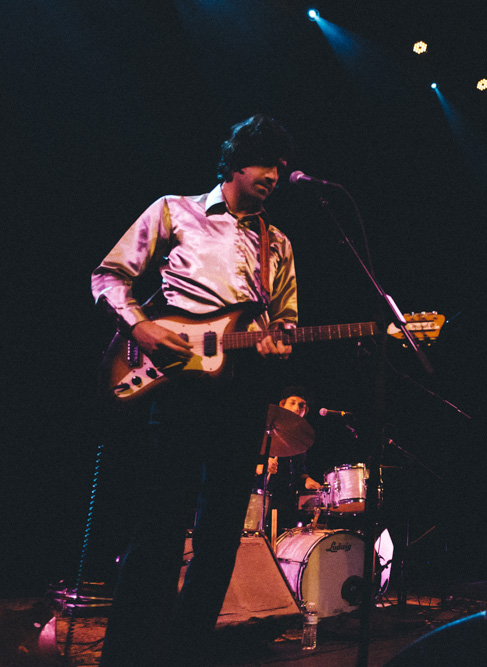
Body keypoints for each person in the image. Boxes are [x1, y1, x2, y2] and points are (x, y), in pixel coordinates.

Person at [92, 115, 298, 666]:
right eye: (263, 162)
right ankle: (129, 655)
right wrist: (141, 327)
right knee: (160, 523)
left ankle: (188, 653)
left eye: (280, 165)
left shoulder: (276, 244)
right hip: (179, 386)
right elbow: (108, 277)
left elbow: (285, 322)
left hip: (243, 392)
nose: (274, 175)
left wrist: (278, 345)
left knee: (222, 533)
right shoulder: (173, 210)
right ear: (233, 164)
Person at [253, 386, 323, 532]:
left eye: (301, 405)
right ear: (282, 404)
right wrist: (262, 466)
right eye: (292, 403)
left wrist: (307, 480)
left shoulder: (300, 442)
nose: (297, 408)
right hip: (257, 501)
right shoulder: (265, 432)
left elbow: (299, 472)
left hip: (286, 505)